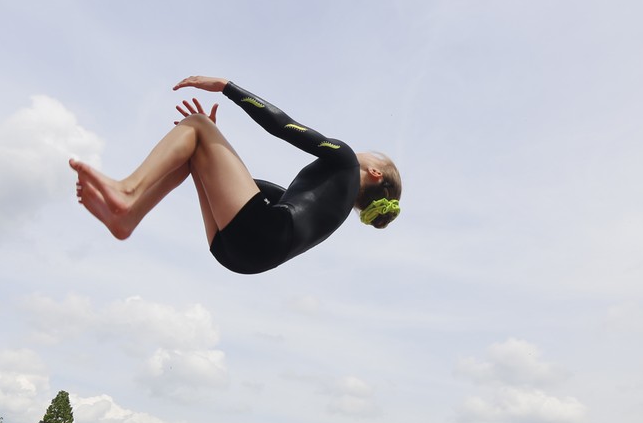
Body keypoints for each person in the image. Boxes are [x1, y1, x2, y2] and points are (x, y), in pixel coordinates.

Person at [69, 76, 402, 275]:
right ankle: (128, 218)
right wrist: (211, 151)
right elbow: (247, 188)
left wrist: (227, 87)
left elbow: (284, 126)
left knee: (197, 125)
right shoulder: (326, 206)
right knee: (194, 150)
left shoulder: (345, 159)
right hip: (241, 257)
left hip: (265, 231)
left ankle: (128, 190)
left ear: (375, 172)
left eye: (375, 155)